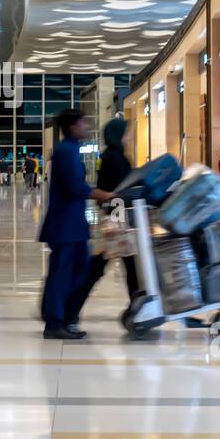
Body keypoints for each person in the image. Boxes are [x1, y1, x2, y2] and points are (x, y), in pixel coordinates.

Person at [38, 109, 113, 339]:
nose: (87, 128)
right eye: (83, 124)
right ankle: (54, 322)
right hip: (65, 226)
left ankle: (64, 315)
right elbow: (76, 187)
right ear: (72, 127)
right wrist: (103, 194)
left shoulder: (71, 150)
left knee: (80, 269)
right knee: (62, 273)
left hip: (74, 224)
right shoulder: (65, 151)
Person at [67, 118, 141, 320]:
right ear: (118, 135)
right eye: (126, 132)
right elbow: (119, 191)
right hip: (117, 223)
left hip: (114, 220)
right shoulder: (116, 159)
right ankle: (70, 311)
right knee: (97, 270)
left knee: (126, 269)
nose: (129, 135)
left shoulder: (111, 156)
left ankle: (138, 311)